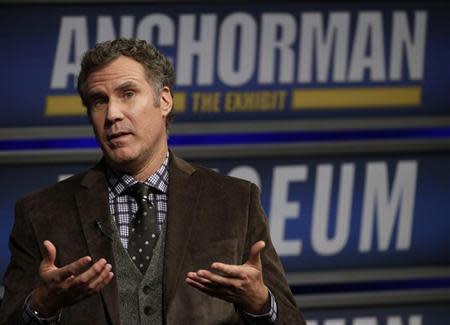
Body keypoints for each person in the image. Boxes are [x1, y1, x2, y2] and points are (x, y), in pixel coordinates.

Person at [0, 38, 304, 324]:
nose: (112, 114)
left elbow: (290, 318)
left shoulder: (236, 201)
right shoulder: (40, 213)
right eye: (98, 101)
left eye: (128, 93)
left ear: (165, 100)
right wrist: (41, 305)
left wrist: (260, 304)